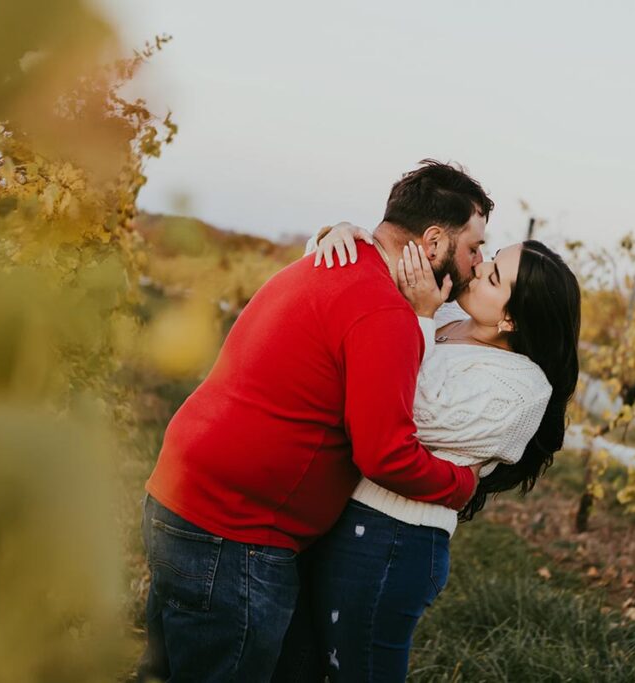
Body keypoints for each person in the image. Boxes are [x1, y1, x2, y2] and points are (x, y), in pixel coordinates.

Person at [137, 160, 495, 682]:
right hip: (234, 535)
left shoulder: (330, 263)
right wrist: (460, 485)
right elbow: (386, 455)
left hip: (178, 498)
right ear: (434, 242)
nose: (477, 261)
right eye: (473, 247)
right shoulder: (384, 313)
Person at [276, 222, 581, 682]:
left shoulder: (520, 387)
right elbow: (355, 306)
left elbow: (403, 411)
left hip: (393, 542)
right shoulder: (443, 318)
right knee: (295, 666)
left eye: (494, 278)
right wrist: (337, 237)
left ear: (510, 320)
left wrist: (416, 318)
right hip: (338, 518)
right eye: (491, 257)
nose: (478, 270)